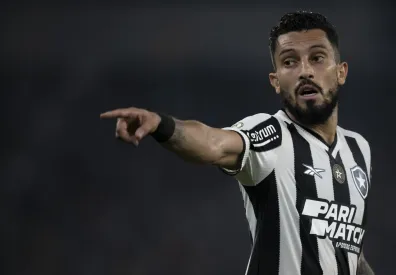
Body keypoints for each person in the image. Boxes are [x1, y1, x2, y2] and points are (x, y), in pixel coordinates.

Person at [100, 10, 375, 275]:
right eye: (289, 62)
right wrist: (162, 125)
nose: (305, 71)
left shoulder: (359, 149)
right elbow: (213, 143)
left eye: (317, 58)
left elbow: (350, 251)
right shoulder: (272, 134)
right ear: (276, 80)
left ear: (341, 72)